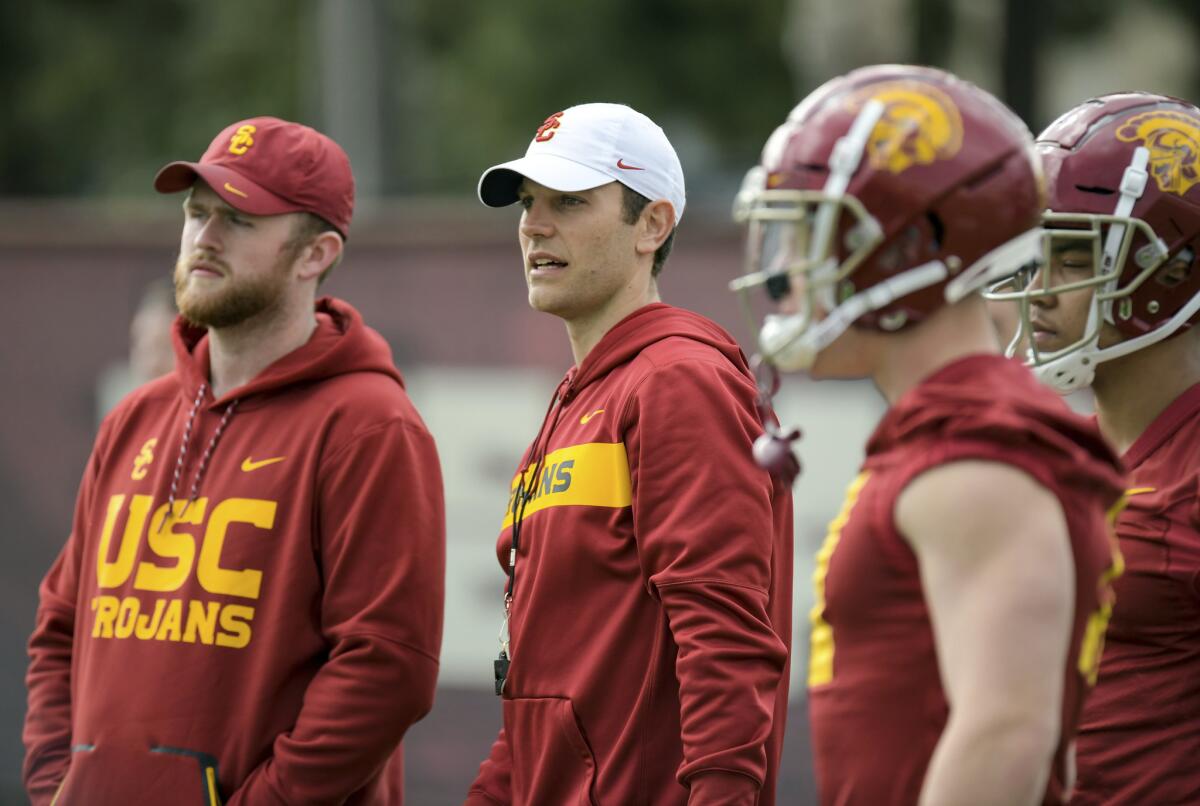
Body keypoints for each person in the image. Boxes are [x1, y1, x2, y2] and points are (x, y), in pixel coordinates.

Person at [22, 116, 446, 805]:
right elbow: (60, 625)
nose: (203, 237)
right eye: (196, 213)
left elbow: (386, 669)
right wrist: (54, 789)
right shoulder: (137, 416)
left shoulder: (370, 426)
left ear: (316, 254)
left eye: (240, 220)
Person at [731, 65, 1125, 805]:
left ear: (909, 248)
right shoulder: (953, 430)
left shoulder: (977, 451)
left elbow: (1006, 734)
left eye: (812, 233)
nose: (786, 275)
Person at [464, 102, 793, 806]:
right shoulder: (578, 399)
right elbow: (538, 685)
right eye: (528, 203)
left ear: (653, 224)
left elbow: (725, 641)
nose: (534, 225)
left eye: (570, 200)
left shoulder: (679, 381)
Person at [986, 91, 1200, 804]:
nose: (1037, 293)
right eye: (1036, 256)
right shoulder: (1059, 454)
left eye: (1074, 259)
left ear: (1172, 271)